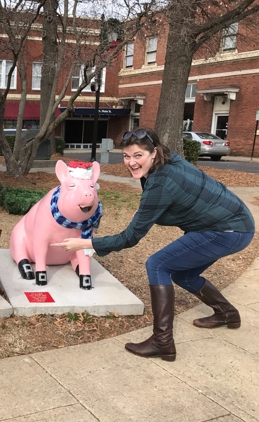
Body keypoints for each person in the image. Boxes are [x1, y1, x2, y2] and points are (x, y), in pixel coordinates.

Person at [54, 127, 255, 361]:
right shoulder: (170, 161)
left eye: (138, 155)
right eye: (126, 156)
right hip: (235, 225)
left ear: (154, 152)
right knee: (183, 274)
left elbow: (129, 238)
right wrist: (147, 212)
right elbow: (177, 201)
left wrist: (84, 244)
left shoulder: (160, 181)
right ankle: (227, 314)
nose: (131, 162)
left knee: (158, 265)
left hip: (227, 231)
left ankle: (163, 342)